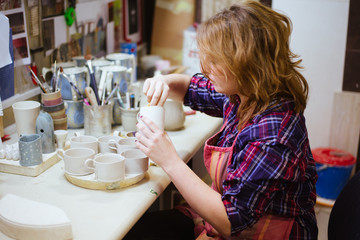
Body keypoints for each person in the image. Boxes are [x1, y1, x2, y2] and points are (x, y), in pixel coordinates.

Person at [124, 1, 318, 239]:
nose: (206, 69)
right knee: (137, 230)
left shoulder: (274, 133)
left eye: (215, 61)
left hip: (263, 230)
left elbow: (231, 221)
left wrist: (170, 160)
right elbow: (192, 89)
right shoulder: (244, 93)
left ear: (247, 64)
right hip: (233, 217)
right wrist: (165, 81)